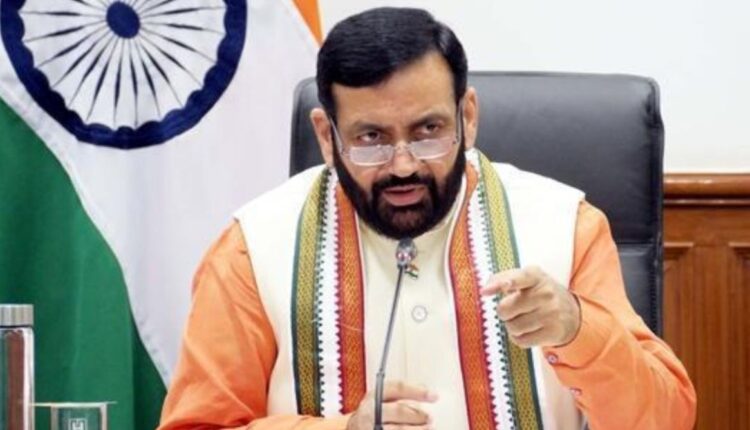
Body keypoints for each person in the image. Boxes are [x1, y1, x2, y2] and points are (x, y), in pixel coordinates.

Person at [158, 7, 696, 430]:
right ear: (326, 136)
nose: (403, 165)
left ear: (468, 117)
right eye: (371, 138)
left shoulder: (564, 226)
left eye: (428, 131)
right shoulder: (254, 247)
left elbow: (667, 419)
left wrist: (579, 328)